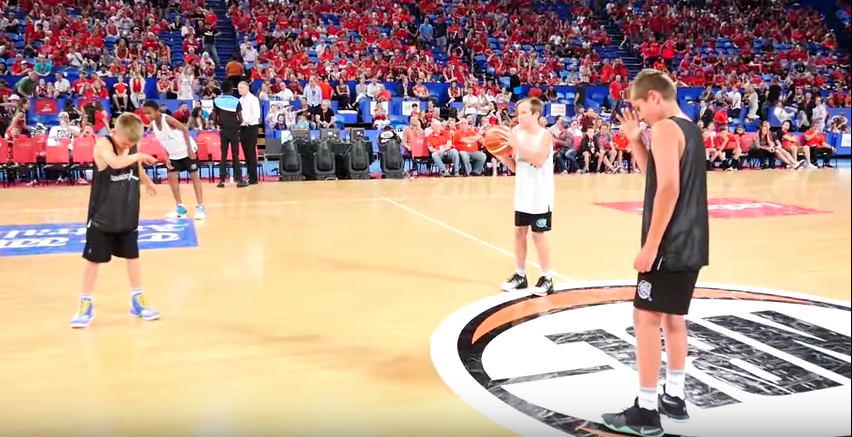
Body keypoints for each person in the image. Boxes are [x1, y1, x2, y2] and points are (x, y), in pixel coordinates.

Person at [601, 70, 709, 436]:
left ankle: (645, 412)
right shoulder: (690, 128)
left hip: (668, 243)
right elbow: (655, 174)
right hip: (693, 241)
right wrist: (635, 141)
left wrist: (650, 246)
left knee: (645, 319)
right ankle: (674, 399)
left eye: (638, 108)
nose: (639, 116)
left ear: (653, 97)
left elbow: (667, 191)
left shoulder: (664, 129)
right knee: (673, 319)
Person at [69, 113, 162, 329]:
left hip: (126, 212)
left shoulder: (130, 146)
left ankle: (137, 300)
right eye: (125, 143)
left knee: (133, 257)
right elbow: (116, 162)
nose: (128, 146)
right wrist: (137, 156)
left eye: (132, 144)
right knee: (93, 261)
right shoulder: (103, 144)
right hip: (102, 216)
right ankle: (85, 303)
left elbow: (133, 165)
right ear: (114, 132)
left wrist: (147, 181)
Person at [495, 97, 555, 296]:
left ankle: (546, 278)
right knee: (519, 232)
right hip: (523, 193)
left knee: (538, 235)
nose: (518, 116)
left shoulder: (544, 135)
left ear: (536, 114)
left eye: (523, 113)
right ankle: (520, 275)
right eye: (518, 112)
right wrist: (501, 156)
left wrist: (517, 145)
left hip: (540, 195)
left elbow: (538, 160)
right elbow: (515, 167)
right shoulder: (516, 133)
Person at [141, 101, 206, 219]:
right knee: (172, 178)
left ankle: (200, 207)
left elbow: (185, 130)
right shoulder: (153, 125)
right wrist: (167, 157)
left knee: (194, 177)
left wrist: (190, 150)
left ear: (157, 111)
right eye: (145, 114)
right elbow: (163, 142)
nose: (147, 116)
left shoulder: (168, 119)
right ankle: (180, 207)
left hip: (187, 151)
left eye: (149, 113)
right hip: (174, 155)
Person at [209, 81, 247, 188]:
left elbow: (214, 117)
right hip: (234, 131)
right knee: (235, 154)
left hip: (223, 130)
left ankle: (221, 180)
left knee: (223, 155)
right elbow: (241, 118)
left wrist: (218, 125)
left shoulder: (216, 101)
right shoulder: (236, 101)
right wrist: (236, 125)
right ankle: (239, 180)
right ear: (231, 90)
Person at [237, 81, 261, 184]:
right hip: (242, 128)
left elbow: (256, 115)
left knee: (251, 152)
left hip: (251, 127)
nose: (239, 90)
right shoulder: (240, 100)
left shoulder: (253, 99)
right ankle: (250, 174)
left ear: (246, 88)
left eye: (241, 88)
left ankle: (253, 177)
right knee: (246, 153)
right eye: (238, 88)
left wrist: (244, 120)